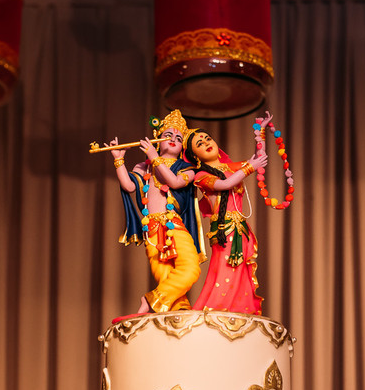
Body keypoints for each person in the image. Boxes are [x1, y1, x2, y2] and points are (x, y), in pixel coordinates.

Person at [109, 109, 205, 315]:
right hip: (151, 231)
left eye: (179, 138)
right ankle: (180, 309)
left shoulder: (187, 169)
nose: (173, 139)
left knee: (190, 268)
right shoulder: (144, 167)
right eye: (168, 135)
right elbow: (129, 186)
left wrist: (154, 157)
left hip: (174, 226)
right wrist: (118, 160)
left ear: (182, 148)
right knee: (165, 275)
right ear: (157, 138)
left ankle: (151, 299)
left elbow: (173, 182)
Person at [175, 118, 269, 315]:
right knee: (225, 270)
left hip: (241, 228)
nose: (207, 143)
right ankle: (213, 310)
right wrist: (249, 167)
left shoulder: (231, 168)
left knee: (241, 271)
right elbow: (225, 185)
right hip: (223, 229)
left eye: (208, 139)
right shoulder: (201, 176)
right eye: (199, 144)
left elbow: (260, 159)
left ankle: (239, 312)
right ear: (195, 156)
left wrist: (259, 134)